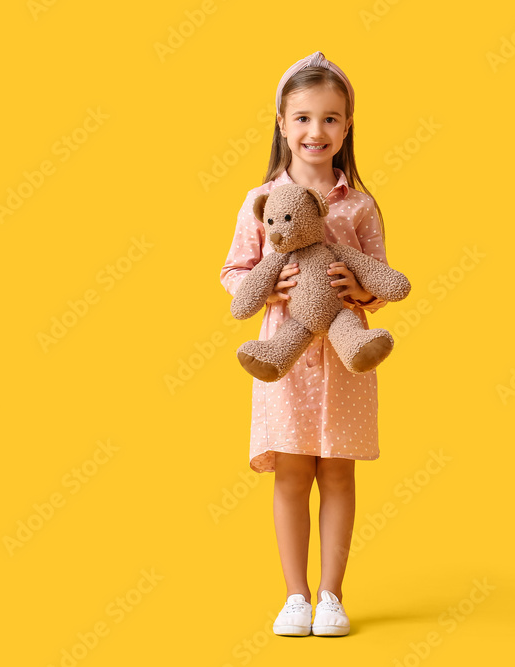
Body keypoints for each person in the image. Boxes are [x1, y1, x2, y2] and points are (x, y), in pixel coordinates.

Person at [219, 51, 397, 637]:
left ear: (347, 127)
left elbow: (381, 275)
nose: (314, 131)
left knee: (339, 476)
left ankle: (331, 596)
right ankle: (295, 596)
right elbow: (233, 272)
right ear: (281, 122)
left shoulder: (361, 204)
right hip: (286, 358)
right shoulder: (261, 200)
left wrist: (360, 290)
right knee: (292, 475)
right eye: (302, 118)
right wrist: (272, 289)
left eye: (329, 119)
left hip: (347, 358)